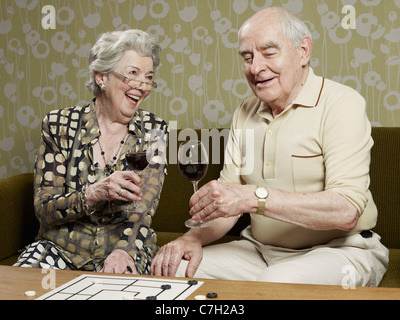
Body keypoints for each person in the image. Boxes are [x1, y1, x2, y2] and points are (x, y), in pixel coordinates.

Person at [151, 7, 389, 286]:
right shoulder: (245, 112)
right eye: (247, 57)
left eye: (269, 53)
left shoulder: (342, 104)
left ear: (303, 51)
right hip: (260, 251)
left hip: (342, 250)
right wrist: (190, 239)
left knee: (279, 279)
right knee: (172, 270)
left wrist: (254, 197)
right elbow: (228, 206)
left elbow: (347, 211)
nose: (255, 68)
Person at [14, 29, 168, 275]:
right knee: (18, 286)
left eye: (149, 77)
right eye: (133, 74)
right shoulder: (59, 125)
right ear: (101, 77)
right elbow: (44, 211)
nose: (142, 86)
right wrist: (94, 193)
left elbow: (143, 210)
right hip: (60, 247)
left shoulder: (154, 130)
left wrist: (122, 252)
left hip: (124, 247)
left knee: (123, 289)